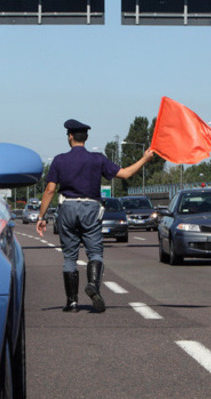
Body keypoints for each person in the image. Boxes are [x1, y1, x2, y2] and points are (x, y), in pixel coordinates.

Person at [36, 119, 155, 313]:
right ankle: (93, 284)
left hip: (67, 207)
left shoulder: (59, 160)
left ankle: (72, 302)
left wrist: (41, 217)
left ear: (70, 137)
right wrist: (144, 159)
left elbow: (49, 190)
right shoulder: (98, 159)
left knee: (69, 256)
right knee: (95, 252)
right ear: (87, 137)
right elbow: (124, 174)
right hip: (91, 208)